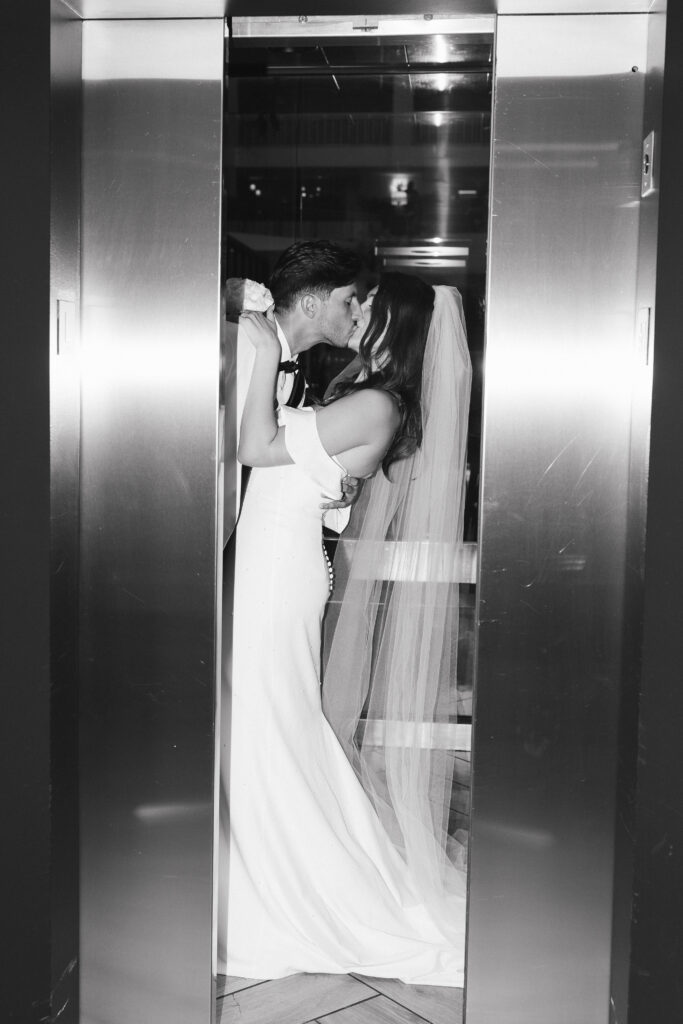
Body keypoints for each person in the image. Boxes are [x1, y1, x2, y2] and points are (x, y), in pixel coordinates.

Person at [219, 272, 472, 987]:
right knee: (261, 723)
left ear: (396, 324)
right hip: (270, 560)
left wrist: (266, 347)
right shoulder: (364, 396)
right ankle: (254, 874)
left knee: (267, 725)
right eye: (353, 302)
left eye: (368, 306)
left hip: (275, 570)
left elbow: (257, 449)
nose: (356, 313)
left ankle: (280, 890)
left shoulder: (374, 402)